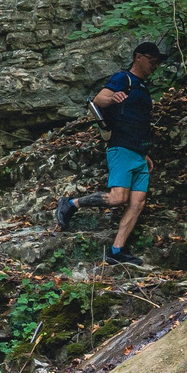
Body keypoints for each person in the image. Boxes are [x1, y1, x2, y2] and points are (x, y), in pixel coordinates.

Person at [53, 42, 164, 267]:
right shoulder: (124, 79)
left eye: (157, 62)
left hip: (138, 152)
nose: (155, 65)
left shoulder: (143, 87)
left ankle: (116, 250)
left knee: (138, 202)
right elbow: (99, 99)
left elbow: (140, 122)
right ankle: (71, 203)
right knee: (118, 198)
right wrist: (113, 99)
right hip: (121, 147)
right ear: (138, 57)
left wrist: (145, 153)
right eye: (152, 60)